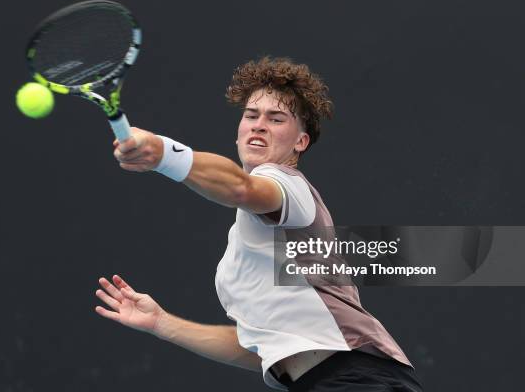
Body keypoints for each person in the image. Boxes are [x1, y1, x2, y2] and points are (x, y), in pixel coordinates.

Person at [94, 57, 423, 391]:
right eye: (251, 115)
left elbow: (241, 187)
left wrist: (164, 153)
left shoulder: (286, 183)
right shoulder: (239, 260)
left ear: (300, 142)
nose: (259, 124)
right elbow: (261, 350)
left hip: (360, 377)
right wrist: (161, 323)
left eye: (276, 118)